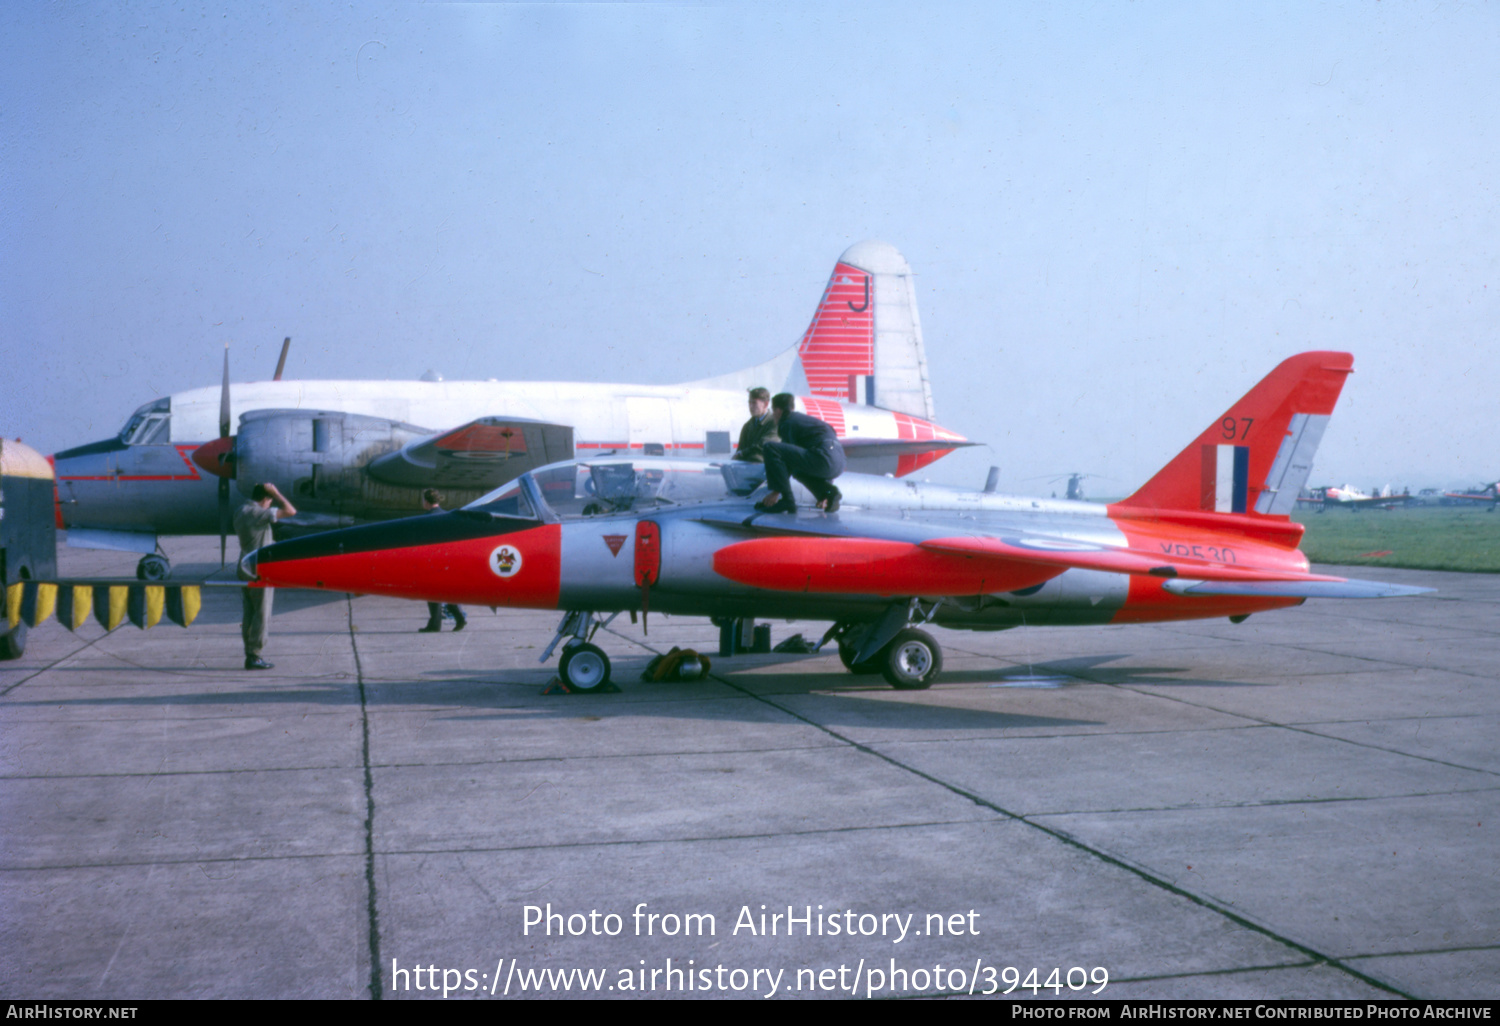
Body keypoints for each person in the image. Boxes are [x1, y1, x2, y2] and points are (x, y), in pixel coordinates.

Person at [235, 481, 296, 670]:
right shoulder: (258, 513)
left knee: (250, 613)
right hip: (259, 569)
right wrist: (277, 493)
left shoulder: (241, 510)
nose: (271, 504)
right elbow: (290, 511)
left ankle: (250, 653)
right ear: (265, 499)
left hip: (244, 567)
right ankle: (255, 656)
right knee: (261, 613)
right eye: (269, 500)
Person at [757, 393, 847, 514]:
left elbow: (783, 459)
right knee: (798, 470)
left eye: (773, 411)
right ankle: (829, 494)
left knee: (770, 447)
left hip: (823, 458)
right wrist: (825, 493)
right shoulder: (805, 421)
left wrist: (775, 492)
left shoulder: (787, 422)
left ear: (778, 410)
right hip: (839, 462)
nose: (773, 415)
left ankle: (787, 501)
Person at [419, 489, 467, 632]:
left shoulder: (424, 518)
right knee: (447, 590)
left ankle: (435, 624)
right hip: (448, 560)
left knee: (432, 592)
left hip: (432, 560)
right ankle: (460, 618)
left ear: (426, 501)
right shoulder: (448, 515)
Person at [733, 386, 779, 463]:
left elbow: (765, 445)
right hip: (748, 471)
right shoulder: (747, 426)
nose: (751, 406)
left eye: (754, 403)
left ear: (766, 404)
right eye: (749, 402)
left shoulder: (775, 423)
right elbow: (739, 452)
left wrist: (743, 453)